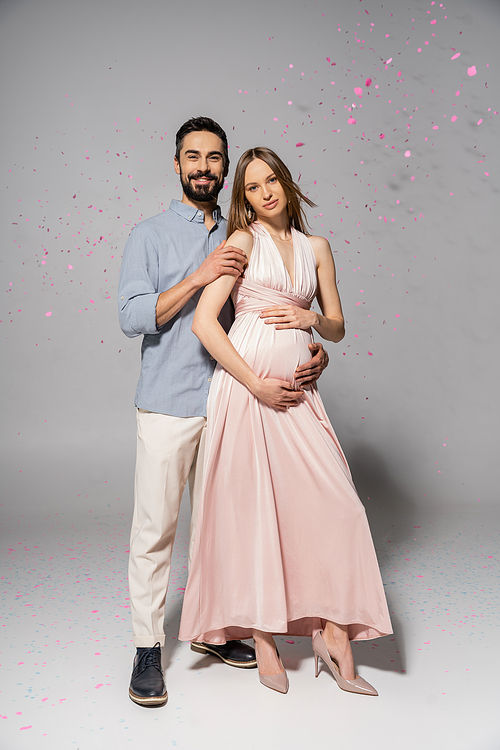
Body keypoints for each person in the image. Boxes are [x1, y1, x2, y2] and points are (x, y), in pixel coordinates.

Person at [118, 119, 329, 706]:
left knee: (224, 529)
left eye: (214, 157)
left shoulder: (248, 233)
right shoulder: (150, 235)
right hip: (169, 403)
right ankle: (146, 650)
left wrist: (313, 354)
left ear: (226, 167)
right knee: (155, 530)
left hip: (236, 405)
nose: (204, 167)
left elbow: (274, 312)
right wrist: (199, 278)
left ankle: (215, 632)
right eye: (193, 157)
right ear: (178, 165)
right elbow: (134, 316)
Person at [179, 147, 393, 695]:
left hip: (299, 396)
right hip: (247, 392)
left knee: (339, 508)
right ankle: (265, 637)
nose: (265, 192)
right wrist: (255, 383)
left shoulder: (316, 247)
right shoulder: (242, 242)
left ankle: (333, 634)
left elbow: (338, 327)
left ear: (287, 182)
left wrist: (310, 320)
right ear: (243, 199)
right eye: (252, 187)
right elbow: (206, 322)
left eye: (271, 180)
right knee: (254, 512)